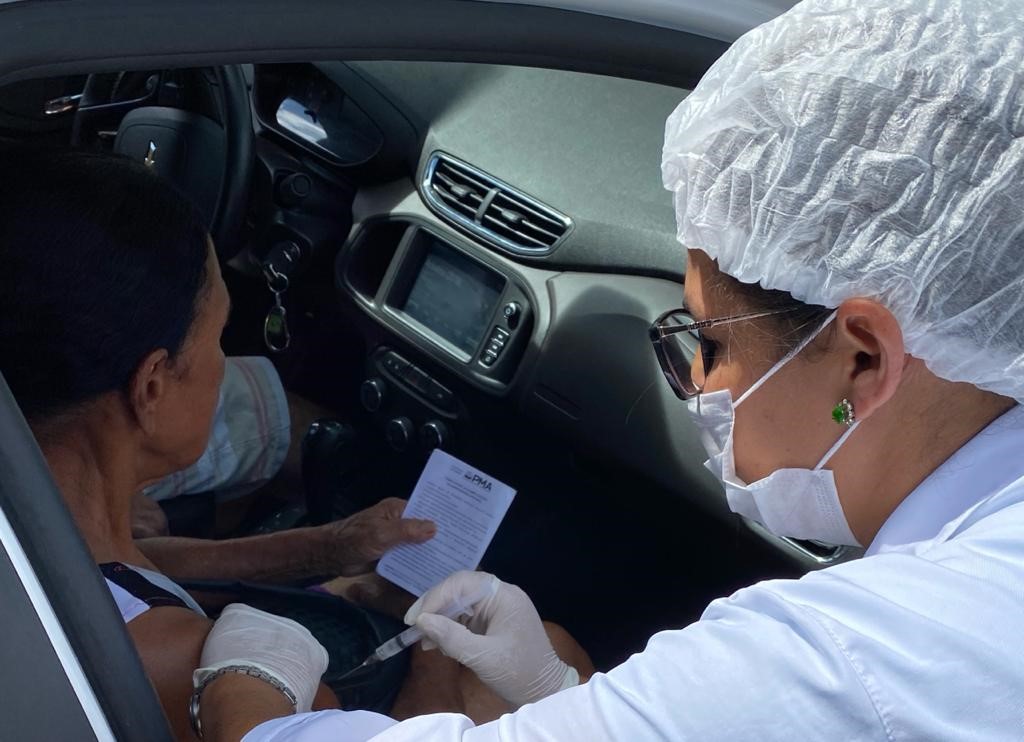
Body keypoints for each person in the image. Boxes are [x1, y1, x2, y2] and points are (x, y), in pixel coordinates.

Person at [192, 0, 1024, 738]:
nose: (696, 379)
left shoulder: (840, 660)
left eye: (710, 340)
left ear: (864, 359)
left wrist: (245, 677)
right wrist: (558, 690)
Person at [0, 148, 591, 740]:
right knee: (550, 648)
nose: (226, 363)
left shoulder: (51, 521)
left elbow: (130, 569)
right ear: (151, 386)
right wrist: (434, 645)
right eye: (218, 338)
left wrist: (327, 550)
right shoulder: (187, 669)